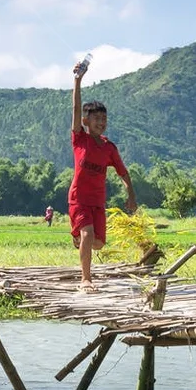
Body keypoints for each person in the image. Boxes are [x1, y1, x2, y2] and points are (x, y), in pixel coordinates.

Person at [69, 59, 137, 288]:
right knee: (88, 235)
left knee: (97, 243)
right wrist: (77, 81)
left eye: (104, 119)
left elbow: (123, 173)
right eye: (97, 119)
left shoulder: (109, 148)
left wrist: (131, 195)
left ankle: (78, 239)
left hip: (97, 201)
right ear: (85, 121)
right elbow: (75, 108)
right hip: (79, 199)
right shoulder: (80, 139)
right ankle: (86, 279)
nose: (101, 122)